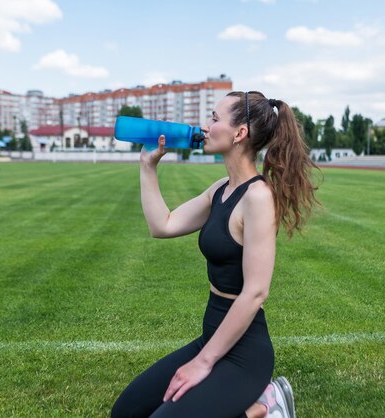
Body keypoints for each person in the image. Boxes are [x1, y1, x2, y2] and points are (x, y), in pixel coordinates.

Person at [111, 91, 323, 418]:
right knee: (125, 412)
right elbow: (162, 225)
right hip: (211, 337)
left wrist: (202, 363)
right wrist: (147, 166)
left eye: (214, 118)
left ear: (239, 134)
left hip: (243, 356)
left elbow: (255, 293)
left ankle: (267, 407)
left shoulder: (258, 198)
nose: (205, 126)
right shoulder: (219, 189)